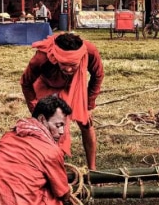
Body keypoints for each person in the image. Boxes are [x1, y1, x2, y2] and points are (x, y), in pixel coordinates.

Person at [21, 32, 103, 170]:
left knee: (86, 123)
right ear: (55, 57)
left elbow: (98, 75)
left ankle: (93, 169)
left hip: (74, 85)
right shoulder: (41, 57)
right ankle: (50, 166)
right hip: (47, 86)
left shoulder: (90, 51)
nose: (69, 69)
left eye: (73, 65)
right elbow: (26, 82)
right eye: (64, 64)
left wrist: (88, 105)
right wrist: (35, 107)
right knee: (50, 125)